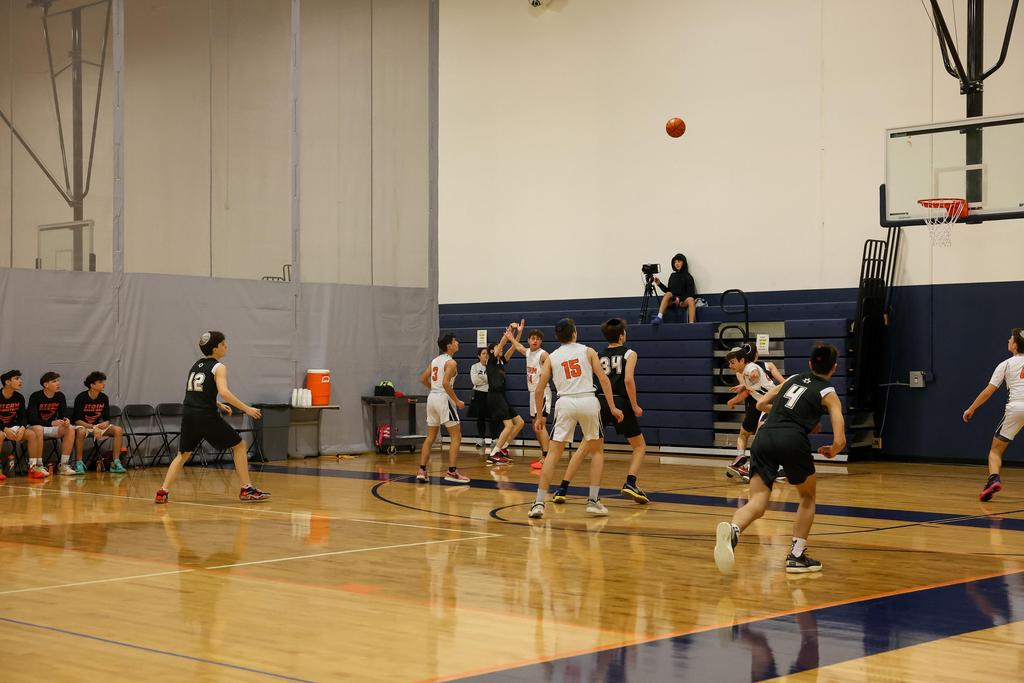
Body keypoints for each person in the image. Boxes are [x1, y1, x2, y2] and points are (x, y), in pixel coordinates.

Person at [714, 343, 845, 574]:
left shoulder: (793, 378)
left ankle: (734, 529)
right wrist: (832, 450)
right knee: (807, 497)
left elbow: (761, 404)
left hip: (764, 436)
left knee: (758, 501)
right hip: (792, 439)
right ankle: (796, 556)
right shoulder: (829, 393)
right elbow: (840, 440)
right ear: (834, 367)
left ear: (809, 364)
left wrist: (785, 415)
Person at [155, 331, 269, 504]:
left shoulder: (196, 365)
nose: (226, 346)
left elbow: (196, 393)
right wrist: (247, 409)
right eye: (223, 344)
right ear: (215, 349)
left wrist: (217, 404)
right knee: (239, 445)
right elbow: (224, 392)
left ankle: (162, 492)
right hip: (206, 416)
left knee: (183, 454)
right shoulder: (219, 367)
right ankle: (247, 489)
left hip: (189, 414)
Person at [528, 318, 623, 519]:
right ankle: (593, 501)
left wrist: (539, 416)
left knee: (553, 454)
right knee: (597, 451)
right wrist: (613, 407)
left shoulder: (552, 357)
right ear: (574, 333)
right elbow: (604, 380)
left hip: (565, 403)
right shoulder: (588, 351)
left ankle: (538, 503)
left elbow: (539, 390)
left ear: (557, 337)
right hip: (588, 401)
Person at [550, 318, 650, 504]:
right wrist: (635, 405)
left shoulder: (597, 354)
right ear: (622, 336)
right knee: (639, 446)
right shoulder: (630, 353)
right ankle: (630, 483)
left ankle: (562, 488)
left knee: (584, 446)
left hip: (598, 401)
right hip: (620, 401)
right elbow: (628, 380)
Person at [963, 327, 1024, 502]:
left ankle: (993, 479)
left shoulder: (1005, 364)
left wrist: (971, 408)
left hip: (1016, 408)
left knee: (996, 450)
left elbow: (989, 391)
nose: (1008, 340)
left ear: (1015, 345)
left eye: (1010, 339)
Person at [415, 333, 471, 485]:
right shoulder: (451, 362)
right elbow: (446, 383)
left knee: (430, 437)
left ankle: (422, 470)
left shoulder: (435, 360)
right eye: (455, 341)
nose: (457, 342)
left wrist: (434, 389)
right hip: (444, 399)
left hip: (432, 398)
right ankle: (452, 472)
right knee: (456, 436)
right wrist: (457, 401)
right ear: (449, 346)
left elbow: (422, 378)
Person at [724, 345, 785, 482]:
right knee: (766, 439)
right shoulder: (743, 372)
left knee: (761, 439)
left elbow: (754, 372)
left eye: (732, 363)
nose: (730, 366)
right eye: (729, 363)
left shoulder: (750, 368)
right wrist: (742, 387)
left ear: (742, 361)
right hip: (767, 407)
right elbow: (750, 388)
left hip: (775, 404)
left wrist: (753, 376)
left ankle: (750, 468)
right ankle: (779, 468)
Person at [508, 328, 553, 470]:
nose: (535, 341)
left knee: (540, 425)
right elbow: (518, 347)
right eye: (533, 338)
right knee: (535, 426)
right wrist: (511, 337)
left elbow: (554, 365)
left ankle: (547, 457)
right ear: (528, 340)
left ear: (541, 341)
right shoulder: (528, 352)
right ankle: (544, 454)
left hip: (543, 393)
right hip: (533, 394)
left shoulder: (543, 354)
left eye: (538, 339)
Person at [485, 320, 526, 465]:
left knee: (519, 423)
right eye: (497, 347)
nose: (501, 348)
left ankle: (503, 449)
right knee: (509, 425)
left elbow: (514, 346)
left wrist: (519, 332)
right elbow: (503, 343)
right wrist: (510, 329)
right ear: (492, 351)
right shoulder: (491, 361)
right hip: (494, 396)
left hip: (501, 396)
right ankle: (493, 454)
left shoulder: (501, 361)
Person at [72, 371, 126, 474]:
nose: (103, 384)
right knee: (81, 432)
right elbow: (77, 420)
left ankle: (115, 462)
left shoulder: (104, 397)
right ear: (92, 385)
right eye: (100, 382)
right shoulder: (81, 397)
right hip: (83, 425)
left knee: (118, 430)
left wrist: (106, 423)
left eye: (103, 382)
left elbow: (106, 418)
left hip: (96, 426)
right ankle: (79, 463)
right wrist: (93, 427)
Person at [27, 372, 78, 476]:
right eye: (54, 381)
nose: (58, 383)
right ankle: (39, 466)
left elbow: (64, 414)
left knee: (70, 428)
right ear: (46, 385)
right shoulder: (36, 396)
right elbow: (32, 419)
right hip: (35, 427)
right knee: (39, 428)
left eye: (58, 381)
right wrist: (51, 422)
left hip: (50, 427)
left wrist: (66, 421)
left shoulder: (60, 396)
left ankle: (63, 465)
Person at [0, 370, 43, 480]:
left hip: (12, 426)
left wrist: (22, 428)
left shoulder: (19, 397)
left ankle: (33, 468)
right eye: (17, 378)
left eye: (20, 378)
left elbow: (23, 417)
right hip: (1, 428)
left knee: (32, 434)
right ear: (7, 382)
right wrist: (4, 429)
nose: (21, 381)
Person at [651, 253, 697, 325]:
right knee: (668, 294)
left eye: (679, 261)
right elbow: (668, 290)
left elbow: (691, 293)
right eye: (675, 262)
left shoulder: (688, 276)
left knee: (691, 299)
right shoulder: (672, 275)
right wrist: (659, 284)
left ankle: (691, 324)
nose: (677, 264)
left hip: (682, 301)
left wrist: (679, 299)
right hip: (672, 300)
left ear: (683, 262)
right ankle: (659, 317)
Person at [468, 347, 497, 449]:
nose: (486, 355)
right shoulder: (474, 367)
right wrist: (487, 379)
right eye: (483, 353)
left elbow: (494, 380)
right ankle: (481, 439)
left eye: (487, 353)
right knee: (480, 417)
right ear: (479, 356)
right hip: (479, 394)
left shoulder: (492, 366)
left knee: (493, 417)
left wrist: (483, 378)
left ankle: (494, 439)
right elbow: (475, 381)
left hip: (491, 394)